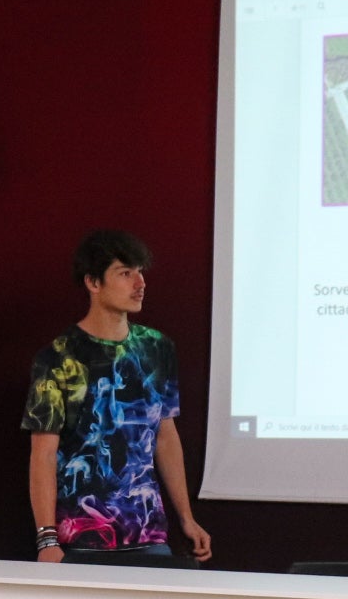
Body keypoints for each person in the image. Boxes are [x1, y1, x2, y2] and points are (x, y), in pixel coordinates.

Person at [23, 229, 213, 564]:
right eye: (125, 273)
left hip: (148, 533)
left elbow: (164, 436)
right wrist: (46, 537)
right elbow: (43, 452)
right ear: (93, 283)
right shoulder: (58, 356)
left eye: (140, 272)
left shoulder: (156, 347)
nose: (139, 283)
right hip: (80, 537)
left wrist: (185, 517)